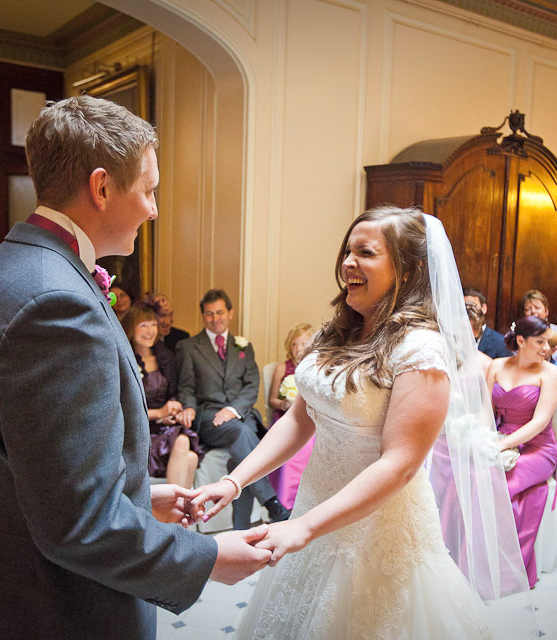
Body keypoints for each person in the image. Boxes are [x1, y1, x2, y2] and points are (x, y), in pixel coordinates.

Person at [0, 96, 272, 640]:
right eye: (149, 190)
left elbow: (41, 471)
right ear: (101, 188)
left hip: (12, 578)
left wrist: (137, 497)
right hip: (60, 607)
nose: (154, 209)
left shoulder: (6, 266)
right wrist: (208, 557)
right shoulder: (56, 304)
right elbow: (78, 522)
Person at [189, 207, 532, 638]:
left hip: (379, 533)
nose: (348, 263)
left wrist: (303, 527)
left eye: (366, 253)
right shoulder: (340, 330)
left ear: (408, 269)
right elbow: (300, 418)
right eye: (348, 251)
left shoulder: (421, 350)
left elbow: (400, 463)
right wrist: (234, 482)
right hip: (314, 507)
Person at [176, 289, 291, 528]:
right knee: (242, 433)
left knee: (238, 458)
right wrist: (188, 407)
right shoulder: (188, 347)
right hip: (210, 418)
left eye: (219, 312)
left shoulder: (243, 347)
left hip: (241, 414)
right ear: (203, 316)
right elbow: (186, 387)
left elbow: (251, 385)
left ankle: (241, 528)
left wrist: (233, 410)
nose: (215, 318)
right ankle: (272, 504)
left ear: (230, 313)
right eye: (209, 314)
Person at [486, 315, 557, 587]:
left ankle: (505, 570)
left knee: (500, 489)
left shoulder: (551, 374)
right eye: (540, 342)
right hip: (499, 439)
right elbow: (485, 411)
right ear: (521, 340)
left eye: (548, 343)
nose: (547, 349)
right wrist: (483, 440)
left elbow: (539, 422)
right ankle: (477, 559)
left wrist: (502, 445)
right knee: (472, 480)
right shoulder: (496, 366)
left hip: (538, 448)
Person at [121, 303, 201, 486]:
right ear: (131, 328)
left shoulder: (164, 357)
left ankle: (177, 504)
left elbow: (173, 394)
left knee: (191, 458)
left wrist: (173, 412)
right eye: (143, 325)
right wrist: (158, 413)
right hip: (139, 430)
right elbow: (124, 408)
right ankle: (177, 503)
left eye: (153, 325)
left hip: (163, 427)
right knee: (183, 443)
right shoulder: (125, 361)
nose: (150, 331)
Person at [267, 322, 315, 510]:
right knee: (292, 443)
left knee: (311, 442)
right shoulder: (282, 368)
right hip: (285, 417)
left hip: (310, 417)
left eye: (303, 344)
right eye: (295, 344)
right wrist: (284, 404)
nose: (298, 349)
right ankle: (286, 501)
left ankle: (306, 499)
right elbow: (272, 400)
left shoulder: (314, 368)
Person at [521, 289, 557, 362]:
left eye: (537, 308)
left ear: (546, 311)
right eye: (528, 309)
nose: (533, 312)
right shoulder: (520, 335)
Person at [463, 287, 511, 358]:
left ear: (484, 308)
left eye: (473, 306)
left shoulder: (500, 342)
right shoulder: (453, 339)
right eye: (463, 307)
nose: (468, 311)